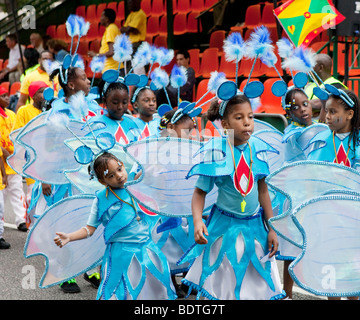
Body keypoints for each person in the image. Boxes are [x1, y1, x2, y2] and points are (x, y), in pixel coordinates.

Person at [178, 94, 285, 300]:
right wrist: (199, 221)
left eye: (251, 117)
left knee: (255, 283)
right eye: (239, 117)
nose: (247, 122)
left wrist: (272, 228)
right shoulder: (216, 151)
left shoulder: (258, 149)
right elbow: (200, 192)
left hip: (254, 228)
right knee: (225, 284)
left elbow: (263, 191)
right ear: (225, 123)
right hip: (224, 230)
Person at [53, 152, 177, 300]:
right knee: (121, 293)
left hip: (146, 251)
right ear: (102, 181)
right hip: (119, 255)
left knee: (150, 293)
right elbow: (89, 229)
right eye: (110, 175)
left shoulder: (136, 186)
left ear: (123, 166)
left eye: (119, 169)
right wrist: (69, 237)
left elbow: (152, 175)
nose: (118, 176)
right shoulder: (100, 199)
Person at [14, 81, 48, 217]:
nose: (44, 95)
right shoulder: (24, 110)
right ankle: (30, 224)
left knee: (47, 196)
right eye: (40, 92)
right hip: (32, 159)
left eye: (46, 91)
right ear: (32, 95)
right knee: (33, 193)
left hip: (48, 159)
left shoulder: (50, 111)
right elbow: (18, 133)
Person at [0, 85, 28, 232]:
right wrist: (5, 153)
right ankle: (1, 221)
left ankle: (21, 220)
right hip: (1, 163)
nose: (6, 98)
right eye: (3, 96)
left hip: (13, 161)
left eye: (7, 95)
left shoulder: (11, 114)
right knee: (2, 195)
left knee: (17, 191)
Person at [89, 80, 141, 144]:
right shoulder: (98, 125)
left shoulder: (132, 124)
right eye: (115, 103)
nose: (120, 107)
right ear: (105, 101)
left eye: (124, 102)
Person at [304, 53, 347, 121]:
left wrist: (301, 105)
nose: (309, 69)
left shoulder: (336, 86)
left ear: (320, 67)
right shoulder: (309, 85)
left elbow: (323, 104)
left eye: (312, 66)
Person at [88, 8, 120, 73]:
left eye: (102, 16)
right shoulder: (112, 28)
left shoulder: (111, 29)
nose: (100, 18)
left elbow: (111, 52)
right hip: (112, 68)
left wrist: (96, 55)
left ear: (107, 19)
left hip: (112, 68)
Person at [120, 0, 147, 73]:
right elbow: (123, 29)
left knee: (137, 68)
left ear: (137, 2)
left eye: (130, 2)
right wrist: (130, 29)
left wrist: (129, 29)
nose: (129, 5)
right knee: (129, 68)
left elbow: (128, 29)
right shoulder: (131, 15)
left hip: (137, 44)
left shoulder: (140, 14)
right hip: (130, 44)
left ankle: (140, 84)